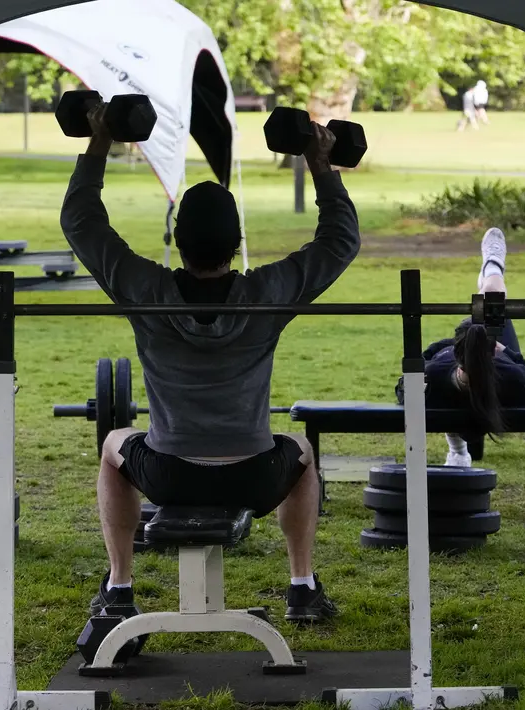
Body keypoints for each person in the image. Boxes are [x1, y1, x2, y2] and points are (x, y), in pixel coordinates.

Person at [60, 102, 360, 622]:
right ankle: (302, 586)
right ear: (236, 243)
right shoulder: (266, 294)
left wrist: (101, 138)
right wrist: (319, 161)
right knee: (302, 450)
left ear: (179, 242)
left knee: (113, 445)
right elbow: (339, 241)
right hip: (254, 475)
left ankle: (119, 587)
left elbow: (81, 221)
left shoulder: (146, 291)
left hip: (168, 473)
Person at [395, 228, 525, 466]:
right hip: (488, 366)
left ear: (459, 350)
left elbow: (403, 386)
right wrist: (508, 354)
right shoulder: (510, 375)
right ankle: (492, 266)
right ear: (492, 351)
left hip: (458, 372)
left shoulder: (436, 372)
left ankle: (458, 450)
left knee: (487, 306)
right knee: (493, 298)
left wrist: (444, 349)